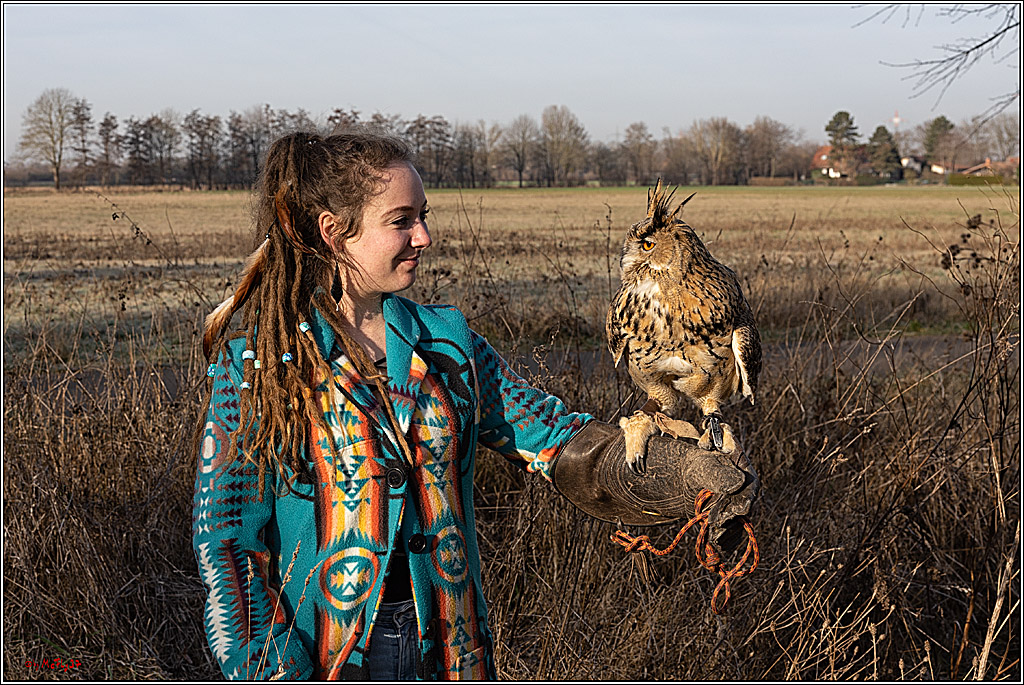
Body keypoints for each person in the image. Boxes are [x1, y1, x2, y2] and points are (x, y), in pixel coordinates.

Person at [192, 131, 757, 681]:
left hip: (452, 651)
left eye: (424, 215)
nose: (424, 237)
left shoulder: (447, 344)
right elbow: (226, 542)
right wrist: (270, 669)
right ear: (335, 233)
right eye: (401, 221)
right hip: (327, 657)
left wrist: (675, 470)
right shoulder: (258, 366)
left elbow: (557, 440)